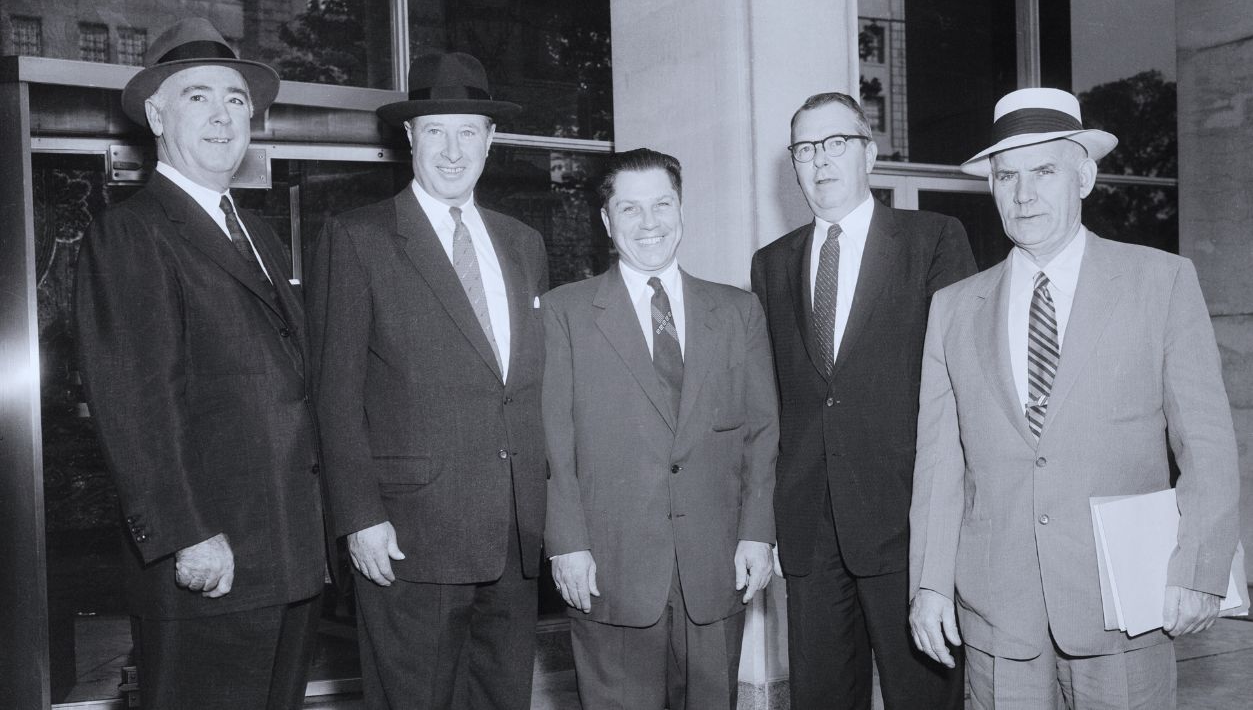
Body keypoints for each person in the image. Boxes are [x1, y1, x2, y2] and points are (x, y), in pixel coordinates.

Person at [909, 87, 1240, 708]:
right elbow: (939, 464)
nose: (1024, 192)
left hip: (1124, 610)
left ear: (1083, 176)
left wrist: (1201, 571)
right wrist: (928, 583)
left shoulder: (1160, 282)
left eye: (1044, 171)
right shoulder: (953, 308)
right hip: (998, 616)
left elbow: (1207, 444)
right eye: (1007, 175)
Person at [74, 18, 325, 709]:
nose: (223, 115)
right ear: (156, 113)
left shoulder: (260, 234)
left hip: (286, 556)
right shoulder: (130, 234)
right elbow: (136, 400)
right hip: (213, 560)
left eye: (237, 100)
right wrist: (188, 534)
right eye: (198, 97)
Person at [305, 51, 547, 710]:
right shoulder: (357, 238)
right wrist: (358, 516)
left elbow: (521, 386)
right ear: (409, 137)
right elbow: (334, 391)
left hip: (513, 536)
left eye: (468, 131)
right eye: (435, 130)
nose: (451, 149)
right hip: (411, 534)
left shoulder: (522, 242)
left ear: (490, 140)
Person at [750, 92, 975, 709]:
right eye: (804, 149)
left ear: (869, 154)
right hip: (810, 531)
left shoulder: (932, 240)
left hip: (907, 526)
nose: (819, 160)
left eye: (836, 143)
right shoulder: (771, 264)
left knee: (924, 698)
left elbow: (961, 387)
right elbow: (775, 398)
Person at [544, 148, 778, 709]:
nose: (648, 224)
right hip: (612, 568)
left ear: (681, 209)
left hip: (716, 564)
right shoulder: (565, 313)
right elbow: (554, 441)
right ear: (606, 221)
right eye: (630, 209)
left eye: (661, 205)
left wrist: (757, 531)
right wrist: (567, 544)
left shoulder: (738, 311)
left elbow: (761, 432)